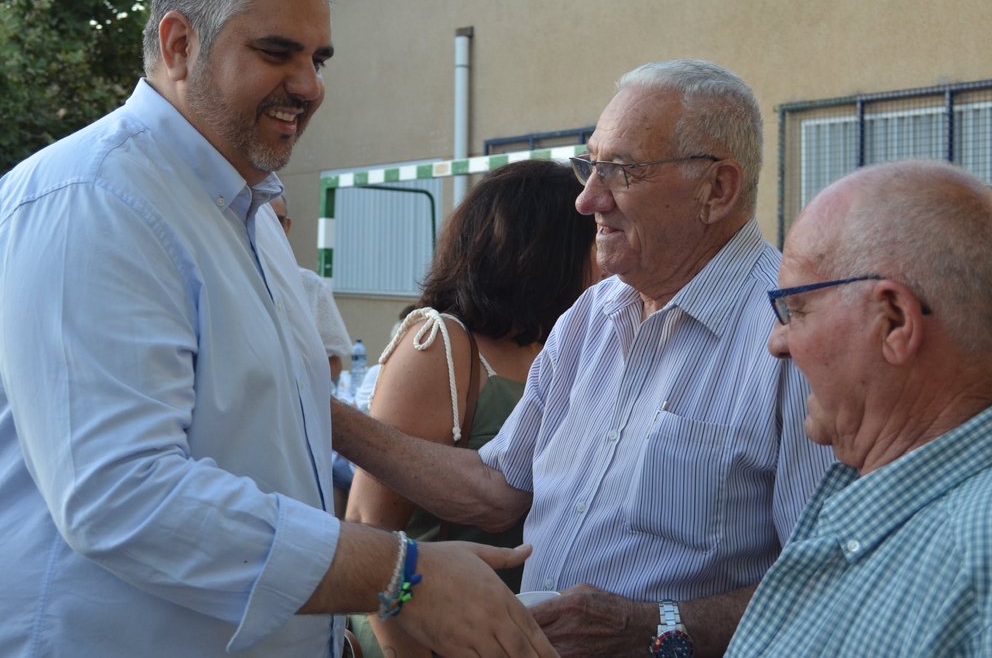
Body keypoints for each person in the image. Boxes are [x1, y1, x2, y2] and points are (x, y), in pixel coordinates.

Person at [0, 0, 555, 658]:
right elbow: (122, 495)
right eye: (277, 52)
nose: (309, 86)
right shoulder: (92, 198)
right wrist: (400, 576)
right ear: (180, 44)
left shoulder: (247, 214)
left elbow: (259, 440)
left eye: (318, 59)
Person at [333, 59, 835, 658]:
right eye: (589, 166)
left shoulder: (797, 337)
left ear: (717, 189)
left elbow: (829, 582)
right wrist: (323, 414)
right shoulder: (592, 314)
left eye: (621, 171)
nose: (587, 199)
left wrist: (651, 626)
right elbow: (498, 487)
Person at [724, 161, 992, 657]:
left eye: (796, 310)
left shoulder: (978, 557)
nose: (777, 342)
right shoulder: (896, 506)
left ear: (893, 321)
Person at [348, 158, 600, 658]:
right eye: (593, 241)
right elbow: (369, 523)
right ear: (549, 250)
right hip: (425, 633)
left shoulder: (567, 345)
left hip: (517, 631)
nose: (606, 258)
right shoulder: (441, 345)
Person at [270, 195, 351, 384]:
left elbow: (334, 363)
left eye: (277, 220)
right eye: (262, 219)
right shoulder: (223, 277)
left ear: (287, 226)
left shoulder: (311, 285)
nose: (270, 227)